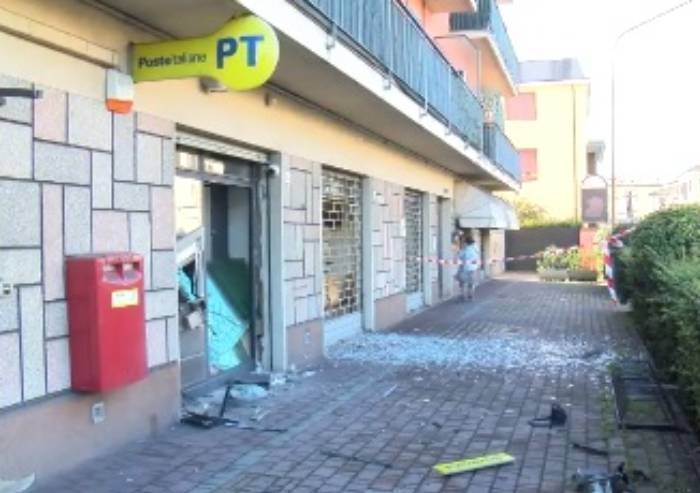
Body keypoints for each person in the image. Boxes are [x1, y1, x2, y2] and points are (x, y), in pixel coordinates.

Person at [456, 235, 480, 301]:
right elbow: (477, 256)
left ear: (466, 242)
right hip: (474, 268)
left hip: (465, 268)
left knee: (462, 282)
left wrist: (459, 251)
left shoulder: (465, 249)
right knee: (471, 282)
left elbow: (460, 256)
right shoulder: (476, 248)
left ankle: (462, 295)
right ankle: (471, 295)